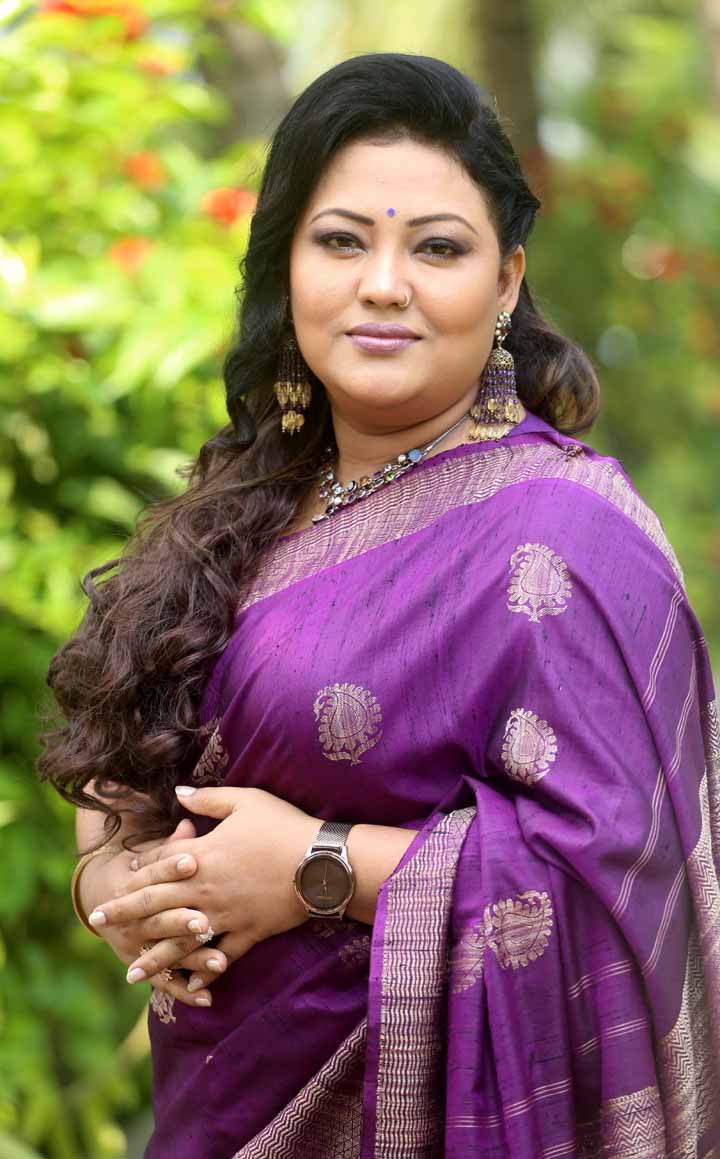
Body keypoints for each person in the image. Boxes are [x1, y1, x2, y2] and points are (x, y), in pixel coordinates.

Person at [39, 52, 720, 1159]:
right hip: (210, 1113)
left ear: (506, 282)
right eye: (342, 240)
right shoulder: (240, 503)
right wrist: (117, 886)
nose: (385, 284)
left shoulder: (569, 536)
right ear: (288, 266)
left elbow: (620, 893)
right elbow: (123, 772)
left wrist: (318, 865)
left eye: (437, 248)